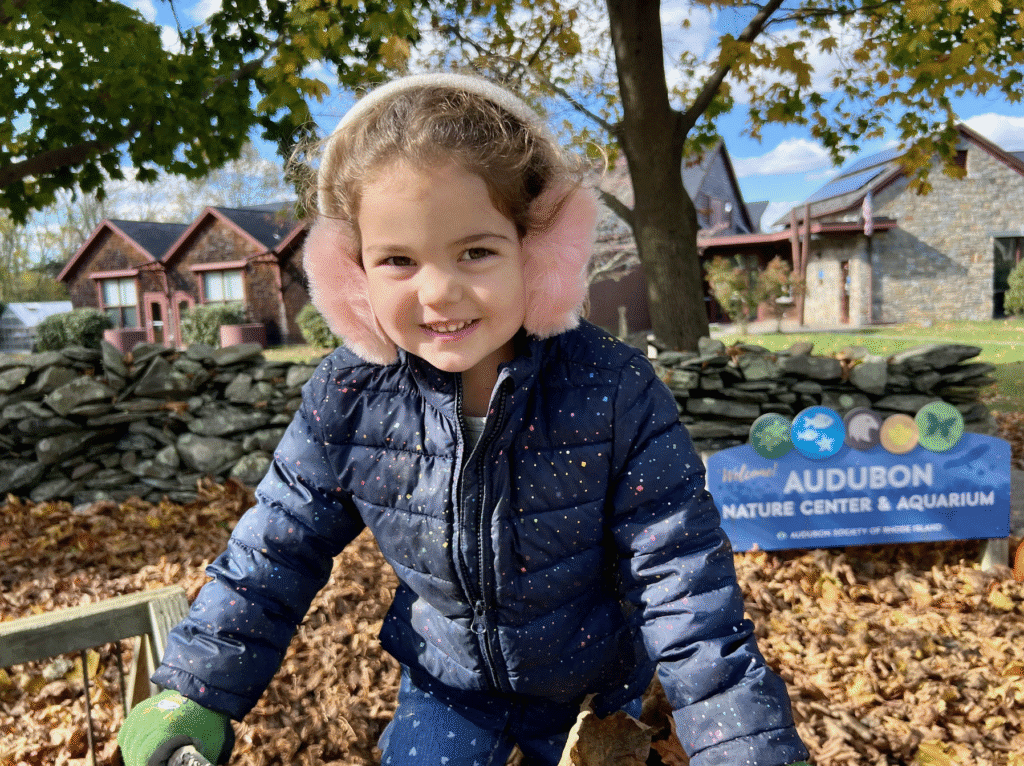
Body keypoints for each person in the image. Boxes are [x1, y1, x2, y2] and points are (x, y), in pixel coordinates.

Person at [118, 72, 811, 766]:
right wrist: (194, 689)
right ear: (352, 275)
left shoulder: (612, 390)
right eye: (398, 260)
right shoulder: (351, 399)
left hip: (595, 694)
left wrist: (744, 744)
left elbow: (683, 580)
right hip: (448, 690)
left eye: (476, 251)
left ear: (539, 251)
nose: (440, 291)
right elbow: (274, 552)